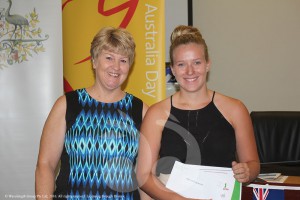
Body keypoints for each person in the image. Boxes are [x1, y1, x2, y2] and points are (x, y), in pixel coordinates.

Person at [136, 25, 260, 200]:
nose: (190, 71)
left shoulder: (235, 109)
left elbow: (253, 164)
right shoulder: (157, 113)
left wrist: (247, 171)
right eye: (181, 64)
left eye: (197, 62)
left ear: (208, 64)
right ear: (172, 70)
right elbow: (143, 175)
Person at [35, 26, 149, 200]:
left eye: (123, 60)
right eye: (109, 58)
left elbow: (145, 176)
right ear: (94, 61)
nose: (116, 67)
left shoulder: (140, 110)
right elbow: (46, 165)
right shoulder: (67, 104)